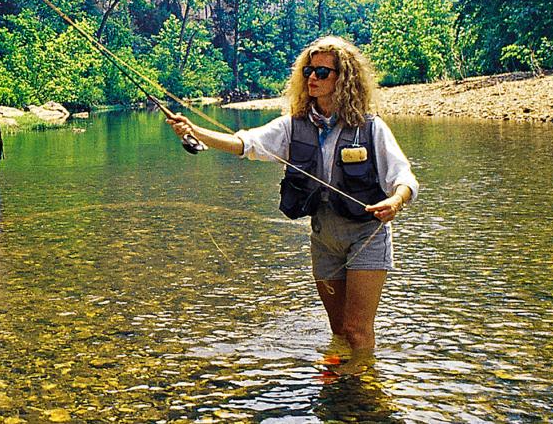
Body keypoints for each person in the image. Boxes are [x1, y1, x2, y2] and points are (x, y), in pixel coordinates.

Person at [166, 36, 417, 364]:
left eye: (322, 72)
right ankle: (340, 380)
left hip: (366, 235)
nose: (312, 77)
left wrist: (396, 201)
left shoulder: (370, 128)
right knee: (339, 329)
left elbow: (404, 178)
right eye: (308, 71)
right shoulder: (293, 126)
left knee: (357, 330)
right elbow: (245, 144)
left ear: (344, 78)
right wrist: (195, 132)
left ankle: (364, 384)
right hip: (324, 239)